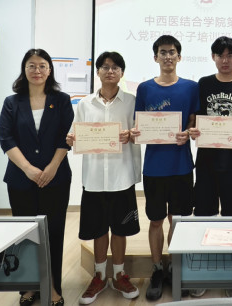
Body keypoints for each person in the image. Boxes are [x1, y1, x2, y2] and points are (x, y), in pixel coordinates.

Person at [0, 49, 73, 306]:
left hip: (56, 177)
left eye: (42, 66)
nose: (37, 70)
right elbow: (6, 139)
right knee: (26, 234)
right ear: (24, 69)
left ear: (50, 70)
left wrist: (52, 167)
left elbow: (66, 137)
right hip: (21, 179)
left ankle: (52, 286)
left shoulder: (61, 100)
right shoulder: (12, 102)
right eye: (32, 66)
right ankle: (28, 286)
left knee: (53, 232)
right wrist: (28, 169)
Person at [67, 52, 141, 304]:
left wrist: (132, 134)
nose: (110, 71)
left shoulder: (132, 102)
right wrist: (72, 139)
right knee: (98, 229)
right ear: (97, 71)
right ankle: (99, 276)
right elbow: (74, 134)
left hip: (122, 176)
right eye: (105, 67)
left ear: (122, 73)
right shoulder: (85, 104)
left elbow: (142, 133)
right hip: (95, 178)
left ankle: (119, 275)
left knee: (120, 229)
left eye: (116, 67)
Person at [131, 35, 199, 301]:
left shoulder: (191, 87)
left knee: (178, 220)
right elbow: (138, 124)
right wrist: (135, 133)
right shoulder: (145, 88)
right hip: (154, 167)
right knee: (156, 220)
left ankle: (176, 266)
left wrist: (189, 132)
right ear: (155, 57)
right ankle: (158, 268)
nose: (168, 56)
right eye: (163, 52)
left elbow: (193, 120)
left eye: (172, 52)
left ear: (179, 57)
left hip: (182, 166)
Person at [189, 36, 232, 298]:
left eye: (230, 55)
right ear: (213, 57)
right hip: (206, 163)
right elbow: (196, 116)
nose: (225, 60)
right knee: (203, 217)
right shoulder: (204, 83)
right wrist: (193, 129)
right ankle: (202, 272)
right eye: (220, 55)